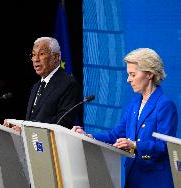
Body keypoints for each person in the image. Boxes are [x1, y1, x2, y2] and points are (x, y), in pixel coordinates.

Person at [73, 48, 178, 188]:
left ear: (149, 74)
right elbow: (115, 135)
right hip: (133, 178)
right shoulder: (134, 103)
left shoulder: (165, 105)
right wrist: (88, 136)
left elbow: (164, 147)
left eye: (132, 74)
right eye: (128, 75)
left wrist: (135, 145)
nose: (128, 79)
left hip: (154, 181)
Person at [5, 37, 79, 130]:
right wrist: (18, 126)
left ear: (55, 57)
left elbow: (63, 122)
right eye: (33, 54)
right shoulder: (36, 87)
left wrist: (26, 129)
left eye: (41, 54)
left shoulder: (68, 83)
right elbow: (32, 120)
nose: (36, 59)